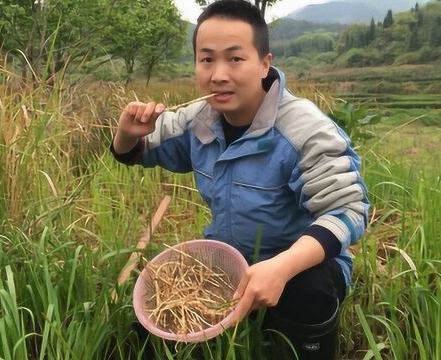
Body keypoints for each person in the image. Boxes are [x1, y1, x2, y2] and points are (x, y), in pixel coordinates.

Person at [111, 0, 369, 358]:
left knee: (310, 291)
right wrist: (126, 134)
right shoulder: (199, 119)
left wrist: (280, 268)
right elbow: (140, 148)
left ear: (265, 63)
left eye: (235, 59)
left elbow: (349, 210)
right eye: (207, 59)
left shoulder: (305, 130)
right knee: (148, 331)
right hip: (228, 265)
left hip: (298, 266)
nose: (218, 74)